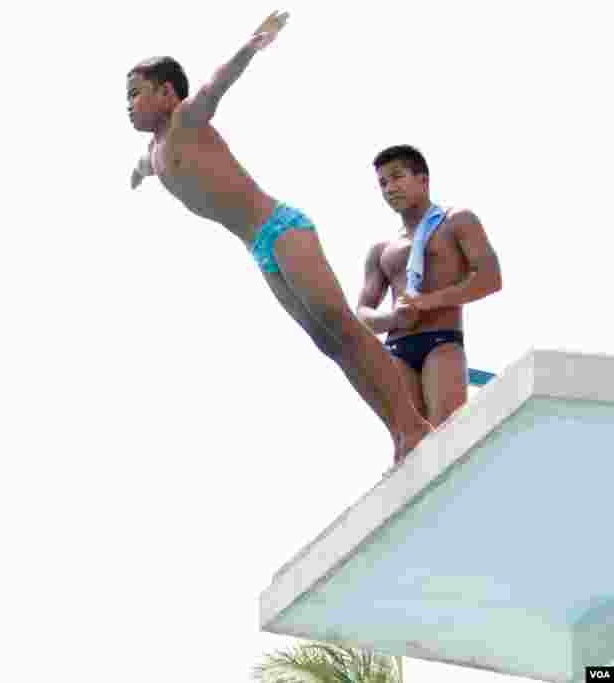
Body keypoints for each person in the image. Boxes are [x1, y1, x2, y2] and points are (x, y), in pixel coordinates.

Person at [126, 10, 432, 464]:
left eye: (136, 94)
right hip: (259, 249)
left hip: (282, 229)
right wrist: (138, 170)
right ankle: (400, 432)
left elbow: (215, 85)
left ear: (167, 92)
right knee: (326, 342)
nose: (128, 104)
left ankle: (416, 425)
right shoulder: (156, 150)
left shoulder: (187, 119)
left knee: (341, 322)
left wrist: (251, 45)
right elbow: (151, 164)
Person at [357, 145, 502, 426]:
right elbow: (362, 314)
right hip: (396, 347)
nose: (389, 188)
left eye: (397, 176)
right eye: (383, 183)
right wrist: (392, 318)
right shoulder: (381, 250)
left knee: (446, 435)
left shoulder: (457, 220)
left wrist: (429, 301)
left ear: (423, 179)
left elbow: (491, 279)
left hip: (441, 341)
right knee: (408, 444)